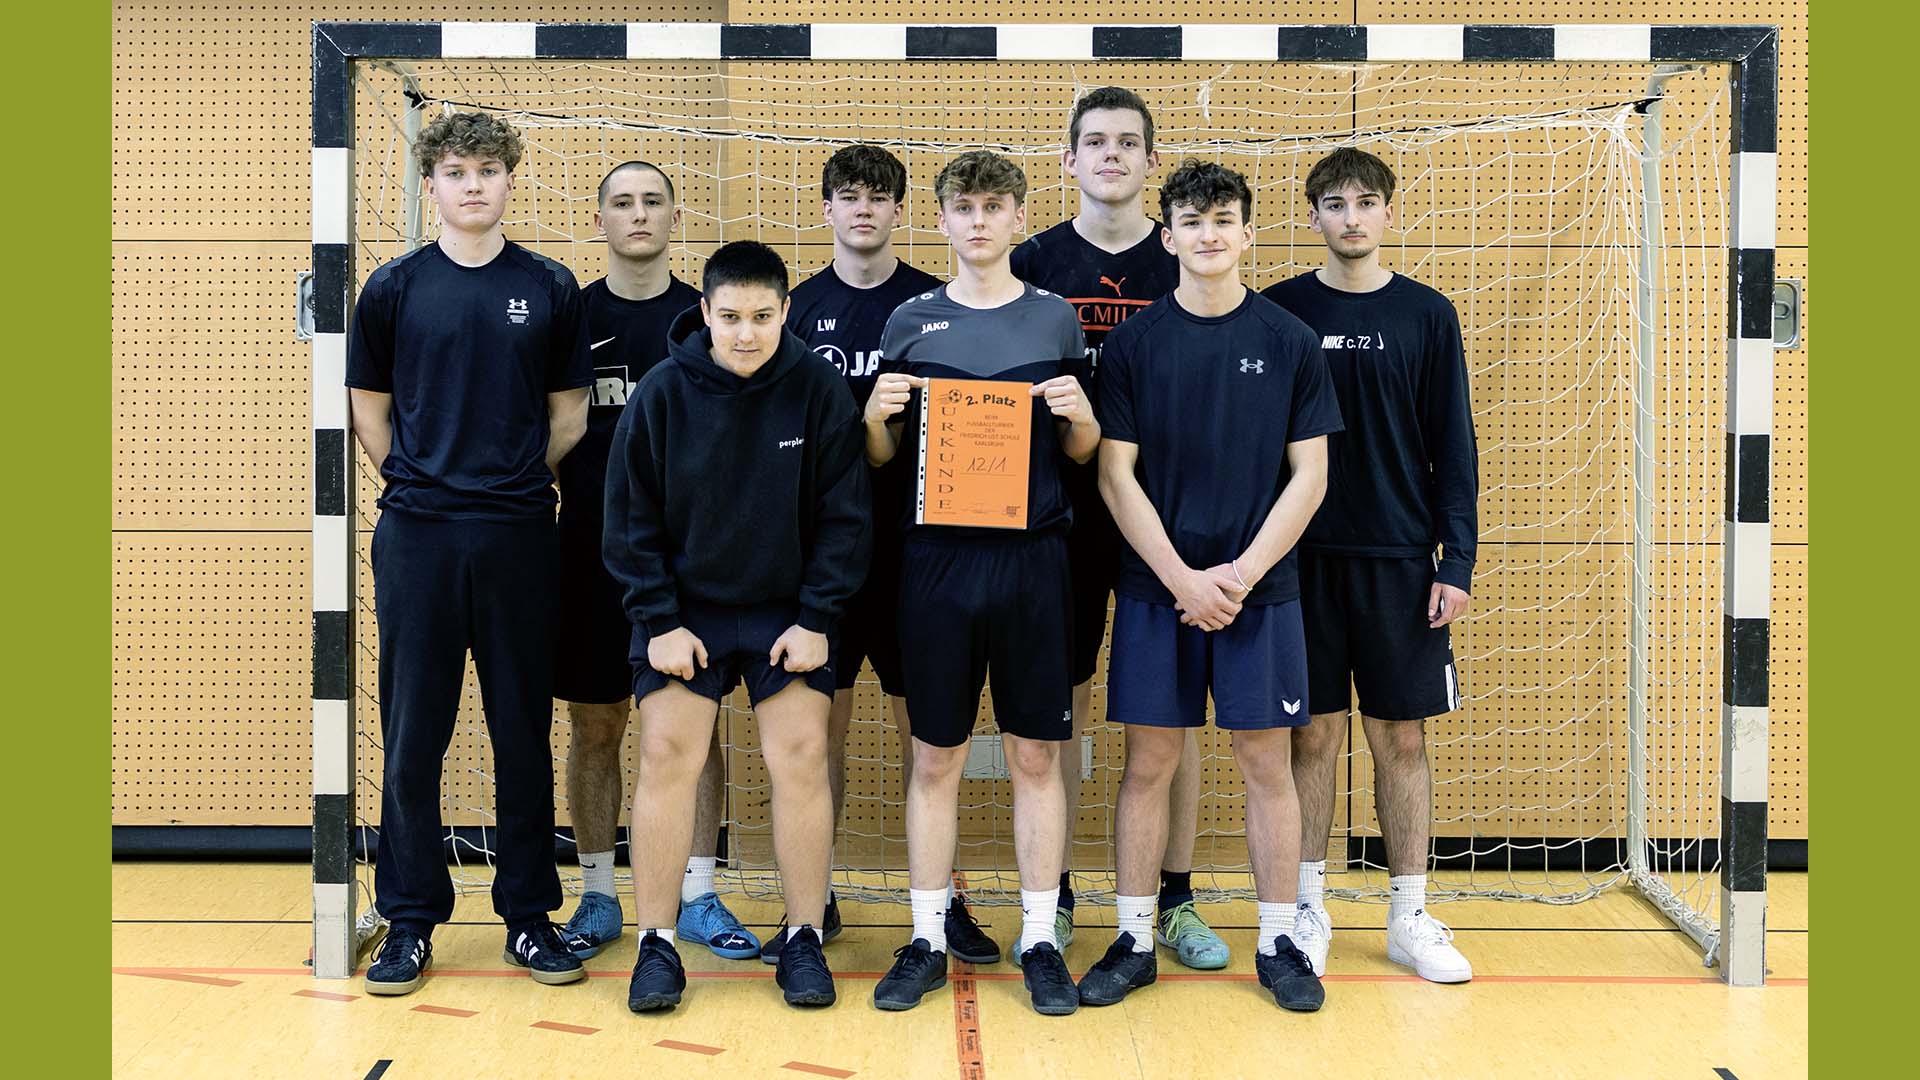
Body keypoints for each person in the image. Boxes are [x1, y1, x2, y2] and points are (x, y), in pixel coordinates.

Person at [1077, 160, 1341, 1012]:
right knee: (1150, 760)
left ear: (1249, 233)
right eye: (1191, 221)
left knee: (1266, 760)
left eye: (1223, 219)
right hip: (1159, 591)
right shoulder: (1134, 344)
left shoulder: (1289, 340)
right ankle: (1133, 938)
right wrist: (1182, 579)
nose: (1209, 234)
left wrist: (1238, 575)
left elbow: (1311, 476)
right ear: (1168, 238)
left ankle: (1279, 943)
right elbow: (1114, 475)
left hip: (1260, 593)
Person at [346, 111, 592, 995]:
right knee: (414, 732)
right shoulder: (394, 287)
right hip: (418, 535)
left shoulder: (549, 285)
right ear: (431, 185)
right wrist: (423, 483)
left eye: (488, 170)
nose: (474, 185)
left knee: (521, 729)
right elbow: (368, 408)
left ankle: (529, 916)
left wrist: (510, 481)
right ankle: (410, 919)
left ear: (510, 180)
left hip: (520, 532)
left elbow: (570, 414)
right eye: (456, 172)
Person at [607, 241, 871, 1012]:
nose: (746, 333)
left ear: (786, 311)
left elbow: (845, 518)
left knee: (802, 754)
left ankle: (804, 936)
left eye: (762, 316)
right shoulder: (662, 392)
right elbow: (628, 519)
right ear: (705, 313)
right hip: (683, 613)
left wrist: (817, 617)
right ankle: (656, 944)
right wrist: (658, 620)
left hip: (787, 614)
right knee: (667, 753)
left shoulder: (818, 389)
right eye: (730, 317)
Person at [866, 150, 1096, 1017]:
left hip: (1034, 561)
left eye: (994, 207)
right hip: (936, 563)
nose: (978, 221)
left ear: (1017, 218)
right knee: (936, 756)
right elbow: (882, 458)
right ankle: (928, 938)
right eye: (963, 207)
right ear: (942, 220)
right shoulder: (909, 320)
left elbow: (1082, 454)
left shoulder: (1055, 319)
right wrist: (872, 421)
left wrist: (1084, 421)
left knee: (1036, 755)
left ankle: (1039, 938)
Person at [1009, 86, 1224, 969]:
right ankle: (1054, 897)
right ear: (1069, 160)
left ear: (1150, 161)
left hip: (1163, 520)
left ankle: (1174, 897)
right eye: (1094, 142)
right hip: (1053, 520)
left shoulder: (1181, 254)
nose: (1111, 155)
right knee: (1059, 708)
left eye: (1128, 142)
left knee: (1174, 719)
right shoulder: (1030, 259)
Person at [1262, 146, 1479, 984]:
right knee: (1311, 736)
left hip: (1400, 560)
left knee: (1401, 737)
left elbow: (1453, 445)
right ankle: (1307, 908)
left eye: (1364, 202)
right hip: (1302, 561)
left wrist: (1455, 560)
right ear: (1313, 215)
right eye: (1335, 204)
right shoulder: (1280, 311)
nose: (1350, 218)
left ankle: (1408, 915)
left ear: (1389, 211)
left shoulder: (1428, 314)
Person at [553, 161, 756, 962]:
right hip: (589, 555)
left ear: (675, 215)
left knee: (693, 727)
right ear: (599, 218)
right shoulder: (571, 316)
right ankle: (599, 893)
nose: (638, 214)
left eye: (652, 201)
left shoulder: (703, 319)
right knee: (595, 725)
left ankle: (698, 894)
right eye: (622, 202)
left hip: (691, 564)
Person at [766, 144, 943, 962]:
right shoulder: (796, 312)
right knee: (818, 734)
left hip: (917, 554)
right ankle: (815, 896)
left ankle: (938, 904)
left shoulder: (935, 306)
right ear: (827, 208)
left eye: (878, 196)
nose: (863, 208)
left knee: (927, 737)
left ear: (900, 211)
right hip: (823, 562)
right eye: (848, 195)